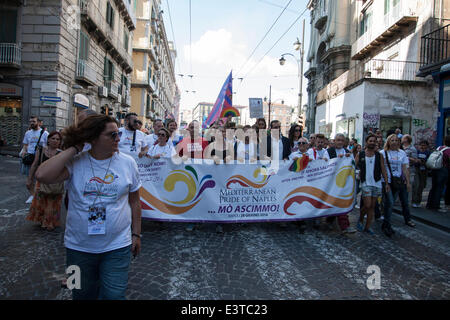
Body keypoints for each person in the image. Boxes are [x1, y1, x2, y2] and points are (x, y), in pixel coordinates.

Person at [35, 114, 142, 300]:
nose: (119, 139)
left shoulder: (128, 163)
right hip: (77, 248)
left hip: (118, 246)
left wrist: (136, 234)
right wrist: (75, 147)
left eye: (118, 134)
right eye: (112, 135)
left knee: (114, 296)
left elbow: (134, 201)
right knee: (81, 295)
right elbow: (42, 175)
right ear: (93, 137)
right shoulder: (76, 162)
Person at [26, 131, 64, 231]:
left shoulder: (61, 153)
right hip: (41, 181)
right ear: (48, 140)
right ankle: (44, 220)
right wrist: (29, 179)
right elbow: (34, 165)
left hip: (55, 182)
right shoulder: (41, 150)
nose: (55, 141)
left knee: (53, 202)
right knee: (41, 202)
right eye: (53, 138)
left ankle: (50, 222)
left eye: (58, 139)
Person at [175, 121, 209, 232]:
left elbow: (209, 158)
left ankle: (205, 218)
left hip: (202, 175)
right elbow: (175, 157)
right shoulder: (183, 141)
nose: (193, 129)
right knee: (190, 197)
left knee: (203, 197)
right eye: (191, 127)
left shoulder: (204, 142)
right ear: (188, 129)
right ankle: (191, 220)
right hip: (187, 175)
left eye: (196, 127)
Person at [380, 134, 415, 237]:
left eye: (396, 140)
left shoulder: (402, 153)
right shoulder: (382, 153)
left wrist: (408, 182)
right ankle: (387, 225)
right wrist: (385, 182)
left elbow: (405, 168)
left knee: (395, 202)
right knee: (390, 202)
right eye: (392, 140)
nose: (394, 142)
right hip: (387, 181)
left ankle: (387, 222)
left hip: (399, 181)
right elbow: (381, 168)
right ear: (388, 142)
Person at [355, 134, 390, 235]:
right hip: (365, 182)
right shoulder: (360, 154)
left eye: (374, 141)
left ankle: (367, 226)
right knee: (367, 204)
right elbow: (352, 165)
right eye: (370, 141)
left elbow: (383, 169)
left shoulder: (379, 155)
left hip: (377, 182)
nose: (372, 143)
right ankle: (361, 219)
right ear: (366, 142)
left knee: (372, 206)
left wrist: (386, 183)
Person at [323, 133, 357, 234]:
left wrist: (348, 159)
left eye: (342, 140)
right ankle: (330, 220)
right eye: (338, 140)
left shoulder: (348, 152)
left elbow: (353, 165)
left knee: (341, 203)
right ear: (334, 141)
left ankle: (345, 226)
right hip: (331, 181)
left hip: (343, 182)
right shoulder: (328, 152)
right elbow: (325, 164)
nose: (340, 142)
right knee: (333, 202)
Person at [22, 116, 49, 203]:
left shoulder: (45, 133)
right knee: (30, 178)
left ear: (39, 122)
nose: (32, 123)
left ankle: (40, 195)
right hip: (30, 157)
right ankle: (33, 195)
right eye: (30, 122)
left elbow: (48, 145)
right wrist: (24, 152)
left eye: (33, 121)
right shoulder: (28, 133)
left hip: (40, 158)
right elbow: (25, 144)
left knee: (39, 177)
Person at [426, 136, 450, 212]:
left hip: (435, 169)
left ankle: (429, 204)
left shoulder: (439, 148)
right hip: (443, 170)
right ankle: (436, 206)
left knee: (434, 187)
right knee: (439, 188)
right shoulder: (449, 150)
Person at [412, 140, 430, 208]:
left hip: (424, 171)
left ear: (427, 146)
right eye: (421, 145)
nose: (422, 147)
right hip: (417, 170)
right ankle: (413, 201)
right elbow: (414, 161)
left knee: (421, 186)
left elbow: (429, 162)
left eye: (424, 145)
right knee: (416, 185)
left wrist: (424, 162)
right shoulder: (417, 152)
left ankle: (418, 201)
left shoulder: (428, 153)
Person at [401, 134, 418, 203]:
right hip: (401, 169)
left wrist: (406, 158)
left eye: (403, 138)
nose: (402, 139)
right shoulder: (401, 147)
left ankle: (406, 200)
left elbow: (415, 160)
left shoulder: (412, 149)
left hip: (410, 169)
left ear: (406, 140)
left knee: (408, 184)